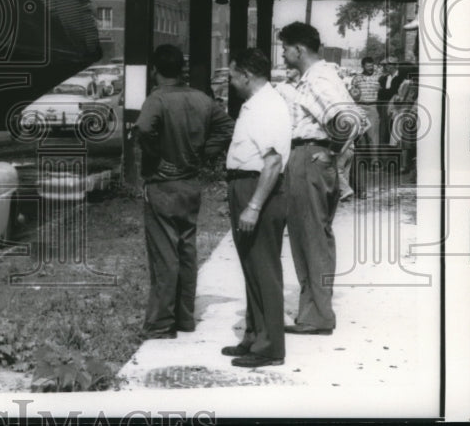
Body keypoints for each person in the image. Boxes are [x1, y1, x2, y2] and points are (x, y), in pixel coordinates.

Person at [135, 44, 234, 339]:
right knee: (187, 251)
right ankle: (185, 317)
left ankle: (161, 324)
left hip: (163, 185)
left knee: (165, 255)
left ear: (155, 70)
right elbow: (227, 127)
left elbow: (142, 130)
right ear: (182, 70)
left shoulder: (157, 99)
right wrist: (205, 154)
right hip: (191, 184)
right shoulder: (202, 99)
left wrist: (156, 159)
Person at [278, 22, 367, 336]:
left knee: (310, 238)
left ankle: (317, 315)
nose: (283, 53)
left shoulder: (318, 78)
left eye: (285, 47)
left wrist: (331, 153)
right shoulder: (320, 75)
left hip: (309, 157)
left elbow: (351, 119)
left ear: (299, 49)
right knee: (314, 236)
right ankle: (313, 311)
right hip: (312, 157)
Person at [223, 48, 292, 368]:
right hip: (245, 185)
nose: (230, 80)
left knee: (264, 269)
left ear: (246, 76)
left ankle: (270, 347)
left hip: (257, 189)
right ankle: (254, 335)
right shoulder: (256, 104)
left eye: (232, 74)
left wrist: (253, 206)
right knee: (252, 267)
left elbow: (273, 161)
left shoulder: (267, 107)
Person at [344, 56, 380, 201]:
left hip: (372, 107)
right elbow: (352, 93)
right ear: (363, 66)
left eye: (372, 65)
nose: (370, 68)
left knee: (373, 137)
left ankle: (374, 163)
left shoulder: (379, 78)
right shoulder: (357, 78)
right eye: (367, 65)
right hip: (360, 106)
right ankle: (360, 160)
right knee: (359, 137)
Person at [378, 58, 402, 145]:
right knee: (384, 125)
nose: (387, 67)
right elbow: (380, 93)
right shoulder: (384, 78)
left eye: (389, 65)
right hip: (385, 104)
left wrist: (384, 91)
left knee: (393, 125)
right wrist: (386, 92)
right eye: (386, 65)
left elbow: (395, 92)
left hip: (396, 105)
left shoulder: (400, 78)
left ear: (395, 66)